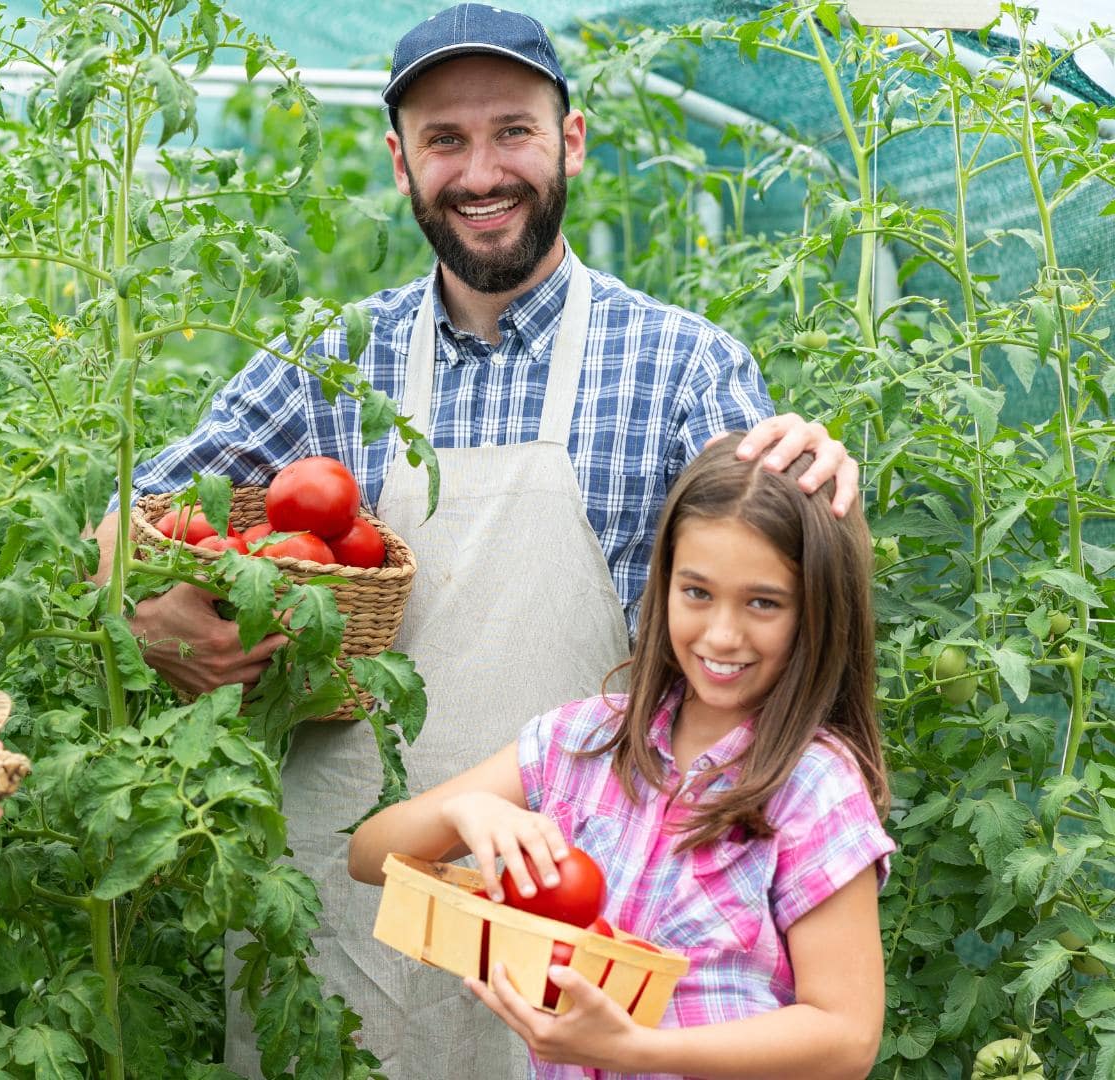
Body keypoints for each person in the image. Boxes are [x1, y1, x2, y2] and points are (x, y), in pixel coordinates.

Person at [88, 5, 864, 1076]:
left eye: (513, 131)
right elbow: (129, 522)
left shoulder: (682, 365)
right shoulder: (332, 361)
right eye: (445, 141)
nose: (480, 170)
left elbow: (774, 570)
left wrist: (826, 482)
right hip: (350, 897)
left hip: (580, 916)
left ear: (571, 141)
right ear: (402, 163)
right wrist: (151, 612)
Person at [347, 435, 892, 1079]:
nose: (721, 633)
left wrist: (634, 1050)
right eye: (696, 592)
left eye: (763, 602)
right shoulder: (583, 742)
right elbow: (368, 856)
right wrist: (467, 811)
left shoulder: (813, 784)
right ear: (664, 584)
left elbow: (846, 1038)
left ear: (818, 610)